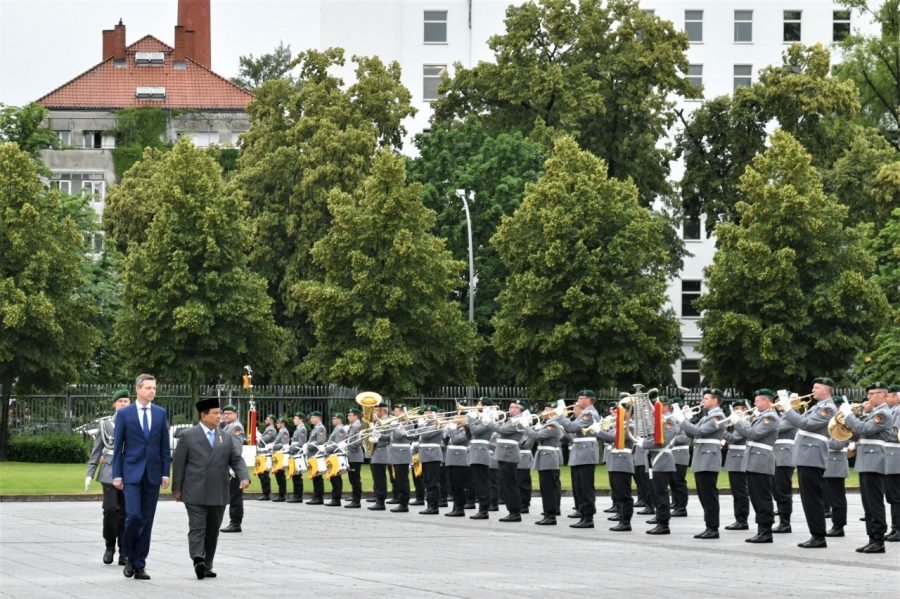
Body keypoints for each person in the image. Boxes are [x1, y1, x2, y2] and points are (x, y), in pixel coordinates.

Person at [172, 397, 250, 580]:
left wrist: (244, 476)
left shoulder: (226, 436)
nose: (219, 417)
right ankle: (198, 559)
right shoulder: (188, 435)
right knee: (197, 527)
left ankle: (207, 564)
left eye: (220, 413)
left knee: (213, 530)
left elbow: (236, 459)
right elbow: (178, 464)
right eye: (215, 413)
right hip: (194, 490)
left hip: (218, 491)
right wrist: (177, 488)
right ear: (203, 415)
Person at [112, 374, 171, 581]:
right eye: (148, 388)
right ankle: (128, 555)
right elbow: (118, 447)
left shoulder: (160, 413)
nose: (152, 391)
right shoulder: (125, 414)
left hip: (153, 474)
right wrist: (117, 474)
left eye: (154, 388)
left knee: (147, 520)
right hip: (131, 473)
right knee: (134, 516)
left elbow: (165, 446)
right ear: (138, 389)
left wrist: (166, 472)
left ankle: (139, 564)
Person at [778, 377, 838, 548]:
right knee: (808, 498)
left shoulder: (827, 407)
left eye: (816, 387)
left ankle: (818, 536)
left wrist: (789, 409)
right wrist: (790, 410)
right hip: (806, 455)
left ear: (826, 390)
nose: (813, 390)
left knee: (812, 499)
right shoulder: (817, 407)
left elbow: (806, 424)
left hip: (812, 455)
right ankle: (816, 534)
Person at [839, 381, 893, 553]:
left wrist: (849, 416)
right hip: (866, 459)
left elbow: (865, 428)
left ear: (883, 394)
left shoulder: (883, 414)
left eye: (873, 393)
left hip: (874, 460)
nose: (869, 397)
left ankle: (879, 540)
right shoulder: (873, 413)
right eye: (869, 394)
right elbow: (858, 433)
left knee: (875, 502)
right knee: (867, 503)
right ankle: (871, 538)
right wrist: (846, 427)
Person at [85, 388, 131, 565]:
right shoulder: (105, 424)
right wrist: (90, 473)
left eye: (126, 401)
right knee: (111, 510)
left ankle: (124, 551)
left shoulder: (135, 422)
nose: (123, 404)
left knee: (126, 513)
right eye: (120, 401)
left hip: (129, 471)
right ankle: (109, 545)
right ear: (114, 404)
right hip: (109, 471)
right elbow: (97, 450)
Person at [732, 389, 780, 543]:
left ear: (766, 401)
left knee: (762, 497)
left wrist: (738, 422)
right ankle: (761, 530)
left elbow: (753, 434)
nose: (754, 403)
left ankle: (766, 531)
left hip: (761, 460)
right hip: (754, 460)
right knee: (755, 496)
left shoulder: (770, 417)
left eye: (758, 400)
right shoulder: (761, 417)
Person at [678, 389, 726, 539]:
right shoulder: (706, 416)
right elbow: (690, 433)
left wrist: (682, 420)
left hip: (708, 459)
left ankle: (713, 528)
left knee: (709, 496)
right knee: (703, 495)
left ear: (715, 401)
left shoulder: (718, 416)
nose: (702, 401)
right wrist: (685, 422)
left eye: (706, 398)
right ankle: (709, 526)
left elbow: (699, 432)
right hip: (702, 458)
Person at [555, 390, 601, 529]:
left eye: (581, 398)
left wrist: (560, 416)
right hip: (580, 452)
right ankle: (583, 514)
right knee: (580, 486)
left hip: (586, 452)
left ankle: (588, 517)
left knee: (586, 487)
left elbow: (572, 427)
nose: (578, 400)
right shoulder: (583, 414)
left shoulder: (589, 414)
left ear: (589, 399)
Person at [638, 400, 680, 535]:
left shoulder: (670, 422)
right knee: (655, 493)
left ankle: (664, 524)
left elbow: (662, 442)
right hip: (654, 461)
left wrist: (644, 443)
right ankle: (659, 518)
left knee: (661, 494)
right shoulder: (658, 422)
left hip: (662, 461)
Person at [589, 407, 634, 532]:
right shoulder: (619, 425)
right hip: (616, 461)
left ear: (629, 413)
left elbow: (614, 438)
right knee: (618, 492)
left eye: (624, 410)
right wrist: (598, 430)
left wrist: (598, 430)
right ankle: (621, 517)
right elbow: (609, 435)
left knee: (624, 494)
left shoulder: (629, 426)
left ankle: (625, 521)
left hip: (623, 461)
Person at [522, 405, 563, 526]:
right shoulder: (547, 424)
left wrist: (526, 426)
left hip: (548, 459)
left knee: (548, 489)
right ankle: (547, 514)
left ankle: (550, 516)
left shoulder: (553, 425)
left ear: (552, 413)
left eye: (546, 410)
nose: (543, 412)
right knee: (545, 489)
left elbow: (537, 436)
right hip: (545, 459)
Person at [490, 401, 526, 522]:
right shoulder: (511, 420)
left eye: (514, 407)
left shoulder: (519, 420)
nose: (510, 409)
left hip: (509, 454)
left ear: (520, 410)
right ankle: (512, 511)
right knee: (506, 484)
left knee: (510, 485)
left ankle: (515, 512)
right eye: (510, 406)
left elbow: (503, 430)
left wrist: (489, 421)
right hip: (504, 454)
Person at [823, 398, 850, 538]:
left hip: (836, 464)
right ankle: (836, 525)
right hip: (828, 464)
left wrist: (822, 440)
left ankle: (838, 526)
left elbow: (839, 444)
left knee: (837, 498)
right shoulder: (833, 422)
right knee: (830, 497)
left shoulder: (844, 423)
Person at [723, 400, 750, 531]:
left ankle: (742, 520)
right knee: (737, 491)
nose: (737, 411)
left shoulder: (744, 422)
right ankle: (739, 519)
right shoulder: (739, 423)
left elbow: (734, 438)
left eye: (740, 408)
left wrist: (720, 429)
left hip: (739, 458)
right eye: (735, 409)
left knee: (740, 492)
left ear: (746, 409)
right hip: (734, 458)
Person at [219, 404, 246, 532]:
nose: (226, 415)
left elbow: (236, 449)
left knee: (235, 496)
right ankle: (233, 522)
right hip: (227, 466)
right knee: (231, 495)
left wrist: (231, 466)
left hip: (233, 467)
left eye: (229, 413)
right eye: (224, 413)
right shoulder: (227, 427)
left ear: (236, 414)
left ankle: (235, 523)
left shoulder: (236, 427)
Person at [466, 398, 494, 520]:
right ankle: (482, 509)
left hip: (481, 452)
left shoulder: (488, 419)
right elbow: (470, 436)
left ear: (485, 406)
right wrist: (466, 426)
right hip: (475, 452)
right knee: (478, 482)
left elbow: (476, 431)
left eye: (479, 404)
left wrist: (471, 419)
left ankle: (484, 510)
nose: (476, 405)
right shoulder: (479, 418)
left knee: (482, 483)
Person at [413, 405, 444, 515]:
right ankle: (430, 505)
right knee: (427, 482)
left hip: (432, 455)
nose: (426, 414)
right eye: (426, 412)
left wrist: (421, 425)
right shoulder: (426, 424)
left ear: (434, 414)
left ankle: (434, 506)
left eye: (429, 412)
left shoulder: (437, 423)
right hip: (425, 455)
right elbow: (415, 436)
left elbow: (425, 435)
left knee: (432, 483)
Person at [772, 409, 797, 533]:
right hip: (776, 455)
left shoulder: (791, 416)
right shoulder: (781, 417)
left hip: (785, 456)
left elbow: (776, 428)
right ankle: (782, 521)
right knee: (777, 490)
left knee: (783, 490)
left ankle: (785, 523)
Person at [667, 399, 690, 518]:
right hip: (673, 453)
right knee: (672, 481)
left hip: (680, 453)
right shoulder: (673, 420)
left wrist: (671, 439)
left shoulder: (684, 421)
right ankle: (676, 503)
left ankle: (681, 507)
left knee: (679, 481)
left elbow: (685, 438)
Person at [388, 404, 413, 513]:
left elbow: (399, 436)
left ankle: (404, 504)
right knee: (398, 480)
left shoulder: (408, 423)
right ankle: (400, 501)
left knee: (402, 480)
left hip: (402, 453)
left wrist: (394, 426)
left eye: (396, 411)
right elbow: (392, 438)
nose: (394, 413)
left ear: (403, 412)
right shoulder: (397, 423)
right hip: (395, 454)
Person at [443, 415, 470, 517]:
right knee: (453, 485)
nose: (453, 419)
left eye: (456, 418)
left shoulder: (465, 429)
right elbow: (446, 442)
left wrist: (452, 429)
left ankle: (460, 508)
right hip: (451, 458)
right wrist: (446, 432)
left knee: (459, 486)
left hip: (460, 460)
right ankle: (455, 507)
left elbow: (456, 440)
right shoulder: (455, 429)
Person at [368, 406, 391, 511]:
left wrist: (378, 436)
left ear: (382, 411)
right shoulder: (378, 422)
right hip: (376, 452)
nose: (374, 413)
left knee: (380, 478)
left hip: (381, 451)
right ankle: (378, 499)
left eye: (376, 410)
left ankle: (381, 502)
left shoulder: (386, 421)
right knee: (377, 478)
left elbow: (389, 436)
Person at [886, 384, 900, 542]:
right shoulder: (892, 411)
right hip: (890, 456)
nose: (886, 398)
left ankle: (898, 529)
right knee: (891, 496)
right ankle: (895, 528)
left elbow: (895, 434)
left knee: (896, 496)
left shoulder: (898, 411)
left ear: (897, 396)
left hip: (896, 456)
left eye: (889, 395)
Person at [324, 413, 347, 506]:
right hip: (332, 455)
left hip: (336, 455)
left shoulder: (340, 429)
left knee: (335, 477)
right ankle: (335, 498)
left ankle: (336, 499)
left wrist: (326, 449)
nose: (332, 420)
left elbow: (338, 444)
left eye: (334, 418)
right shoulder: (337, 428)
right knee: (333, 477)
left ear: (340, 419)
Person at [305, 411, 327, 504]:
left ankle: (319, 498)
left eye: (312, 418)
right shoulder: (316, 428)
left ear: (317, 418)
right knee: (315, 476)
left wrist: (309, 445)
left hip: (316, 455)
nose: (311, 420)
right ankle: (315, 496)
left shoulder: (320, 428)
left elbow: (320, 441)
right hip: (312, 455)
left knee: (318, 477)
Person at [344, 408, 364, 508]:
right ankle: (354, 499)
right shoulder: (352, 426)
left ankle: (356, 501)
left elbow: (360, 441)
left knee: (355, 479)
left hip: (355, 455)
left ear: (356, 416)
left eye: (350, 415)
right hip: (351, 455)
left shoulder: (358, 426)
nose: (348, 417)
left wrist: (347, 445)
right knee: (352, 479)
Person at [286, 412, 307, 504]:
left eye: (295, 418)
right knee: (295, 476)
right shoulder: (298, 429)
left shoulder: (302, 429)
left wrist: (291, 447)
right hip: (294, 454)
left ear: (300, 419)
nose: (294, 420)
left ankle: (298, 496)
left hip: (298, 454)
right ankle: (296, 495)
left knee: (297, 476)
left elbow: (301, 443)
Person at [255, 414, 277, 501]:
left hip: (266, 455)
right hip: (262, 454)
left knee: (264, 475)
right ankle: (265, 493)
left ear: (271, 421)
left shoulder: (271, 430)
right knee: (261, 474)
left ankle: (266, 494)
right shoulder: (267, 429)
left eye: (267, 419)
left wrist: (257, 437)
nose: (265, 421)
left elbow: (263, 441)